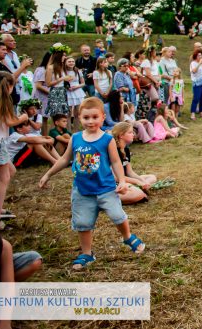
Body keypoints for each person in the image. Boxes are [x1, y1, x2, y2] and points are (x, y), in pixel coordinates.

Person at [39, 97, 145, 270]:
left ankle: (127, 237)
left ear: (103, 117)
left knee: (118, 215)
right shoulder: (76, 138)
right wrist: (48, 174)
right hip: (82, 191)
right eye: (86, 117)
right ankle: (87, 254)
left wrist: (123, 181)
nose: (90, 121)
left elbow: (116, 163)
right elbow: (65, 159)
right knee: (83, 223)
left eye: (95, 117)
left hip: (106, 189)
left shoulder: (107, 140)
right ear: (80, 118)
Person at [0, 72, 29, 230]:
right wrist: (23, 119)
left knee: (10, 170)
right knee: (3, 178)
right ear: (9, 86)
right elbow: (10, 121)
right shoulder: (2, 100)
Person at [111, 122, 152, 204]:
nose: (133, 134)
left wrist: (142, 181)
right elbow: (115, 177)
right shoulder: (114, 151)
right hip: (117, 182)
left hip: (126, 179)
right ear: (121, 135)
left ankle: (138, 188)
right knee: (139, 194)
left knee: (151, 177)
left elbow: (130, 172)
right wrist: (137, 182)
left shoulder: (126, 150)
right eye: (130, 132)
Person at [64, 56, 86, 131]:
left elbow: (83, 83)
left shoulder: (77, 71)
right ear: (65, 63)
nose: (71, 63)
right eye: (69, 61)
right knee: (68, 114)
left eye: (72, 61)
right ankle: (68, 131)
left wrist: (76, 87)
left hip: (77, 92)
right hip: (68, 92)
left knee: (77, 113)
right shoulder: (63, 71)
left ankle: (76, 131)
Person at [189, 50, 202, 120]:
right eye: (199, 55)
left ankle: (201, 112)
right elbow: (194, 71)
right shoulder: (193, 63)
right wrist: (199, 63)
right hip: (197, 83)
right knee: (196, 98)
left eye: (201, 55)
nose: (200, 56)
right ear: (195, 56)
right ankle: (193, 113)